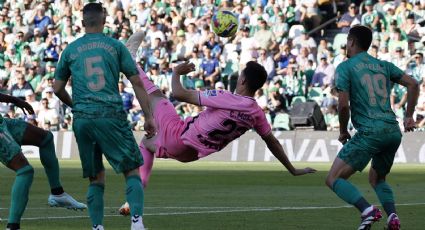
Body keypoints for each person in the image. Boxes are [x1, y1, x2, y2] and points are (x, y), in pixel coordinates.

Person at [118, 31, 316, 215]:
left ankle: (128, 60)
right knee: (147, 142)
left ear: (243, 81)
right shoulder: (257, 113)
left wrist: (177, 72)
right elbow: (272, 142)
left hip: (178, 136)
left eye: (240, 76)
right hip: (191, 154)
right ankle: (133, 198)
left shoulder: (226, 97)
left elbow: (179, 93)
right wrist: (293, 169)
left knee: (155, 96)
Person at [53, 3, 155, 230]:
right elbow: (136, 81)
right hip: (110, 115)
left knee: (96, 177)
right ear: (104, 20)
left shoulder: (70, 50)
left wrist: (75, 106)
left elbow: (57, 88)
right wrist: (148, 116)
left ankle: (97, 227)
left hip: (83, 119)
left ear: (82, 23)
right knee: (131, 170)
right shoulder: (115, 46)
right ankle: (136, 223)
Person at [325, 25, 419, 230]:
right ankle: (393, 217)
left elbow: (342, 105)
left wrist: (343, 131)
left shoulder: (345, 67)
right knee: (377, 178)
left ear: (351, 42)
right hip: (393, 131)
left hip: (369, 131)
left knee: (333, 178)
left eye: (347, 42)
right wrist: (409, 116)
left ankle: (368, 211)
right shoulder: (384, 65)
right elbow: (413, 84)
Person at [0, 92, 86, 230]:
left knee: (45, 138)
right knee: (25, 171)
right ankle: (13, 226)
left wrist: (17, 100)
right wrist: (16, 100)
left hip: (2, 123)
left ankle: (57, 193)